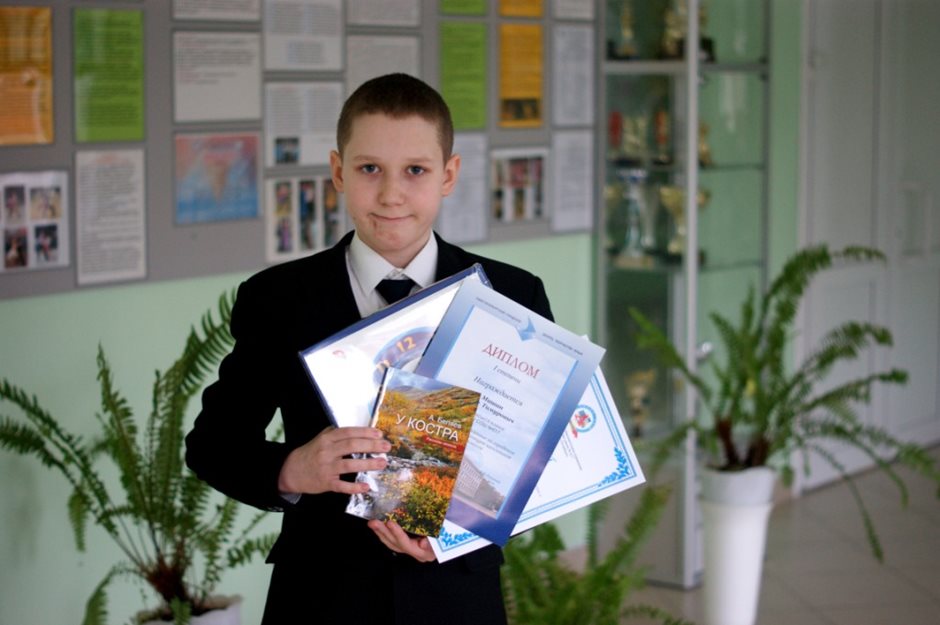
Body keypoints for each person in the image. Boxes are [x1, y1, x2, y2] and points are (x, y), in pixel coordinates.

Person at [185, 73, 553, 625]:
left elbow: (541, 465)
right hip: (320, 595)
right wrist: (292, 468)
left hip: (455, 597)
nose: (391, 194)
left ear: (449, 175)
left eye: (415, 171)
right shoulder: (277, 299)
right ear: (338, 172)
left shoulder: (512, 296)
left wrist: (457, 534)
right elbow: (212, 445)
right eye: (369, 169)